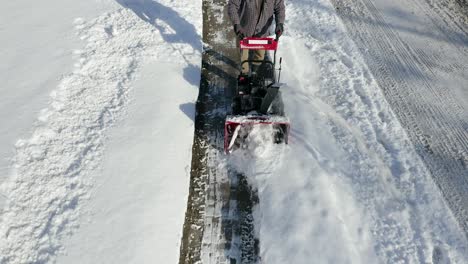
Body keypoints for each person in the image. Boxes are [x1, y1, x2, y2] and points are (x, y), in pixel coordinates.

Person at [227, 0, 285, 75]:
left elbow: (279, 8)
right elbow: (232, 5)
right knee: (243, 56)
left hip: (262, 31)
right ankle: (245, 73)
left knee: (260, 56)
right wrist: (236, 24)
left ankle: (254, 71)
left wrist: (280, 23)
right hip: (244, 30)